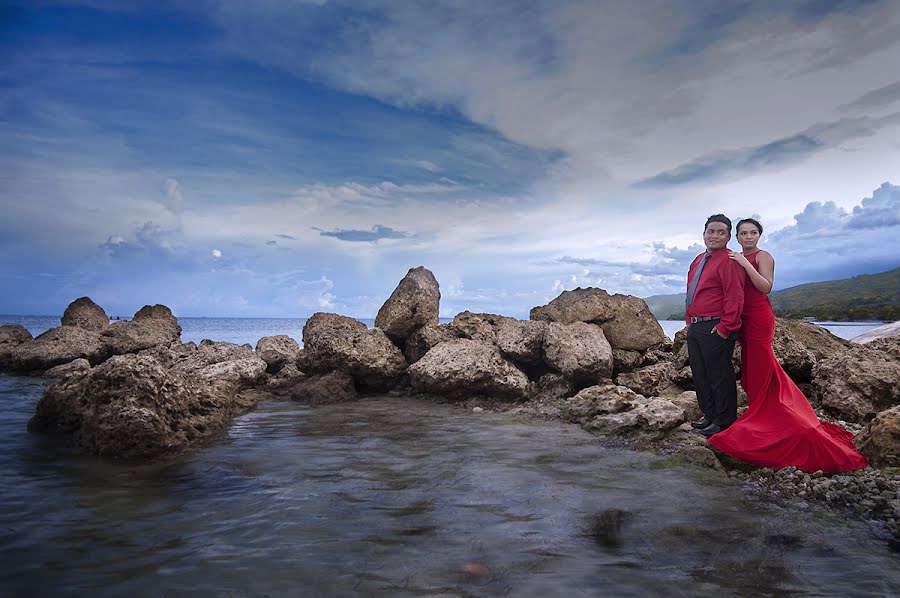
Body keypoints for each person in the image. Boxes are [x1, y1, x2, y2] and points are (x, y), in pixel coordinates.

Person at [707, 218, 867, 473]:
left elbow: (765, 287)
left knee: (760, 370)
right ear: (736, 237)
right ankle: (764, 419)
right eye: (743, 233)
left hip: (759, 318)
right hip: (743, 319)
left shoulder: (763, 256)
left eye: (753, 233)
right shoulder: (736, 257)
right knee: (751, 375)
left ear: (759, 235)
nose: (748, 237)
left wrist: (744, 263)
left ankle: (769, 425)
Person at [685, 214, 746, 438]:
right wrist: (689, 322)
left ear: (729, 237)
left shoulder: (730, 260)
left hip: (716, 326)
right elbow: (693, 292)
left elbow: (735, 296)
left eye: (721, 232)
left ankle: (724, 420)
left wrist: (725, 327)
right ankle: (709, 415)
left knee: (720, 375)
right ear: (704, 234)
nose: (715, 236)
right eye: (711, 231)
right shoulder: (698, 260)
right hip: (696, 326)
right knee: (700, 373)